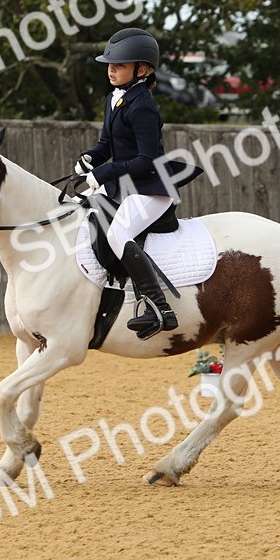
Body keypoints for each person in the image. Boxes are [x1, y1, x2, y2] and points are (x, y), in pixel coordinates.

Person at [76, 27, 200, 340]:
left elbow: (147, 159)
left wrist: (104, 173)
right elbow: (107, 144)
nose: (111, 69)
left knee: (119, 232)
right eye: (109, 64)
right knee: (78, 209)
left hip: (149, 187)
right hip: (125, 184)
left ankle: (159, 307)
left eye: (119, 64)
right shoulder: (113, 99)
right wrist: (90, 158)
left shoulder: (143, 105)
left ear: (141, 70)